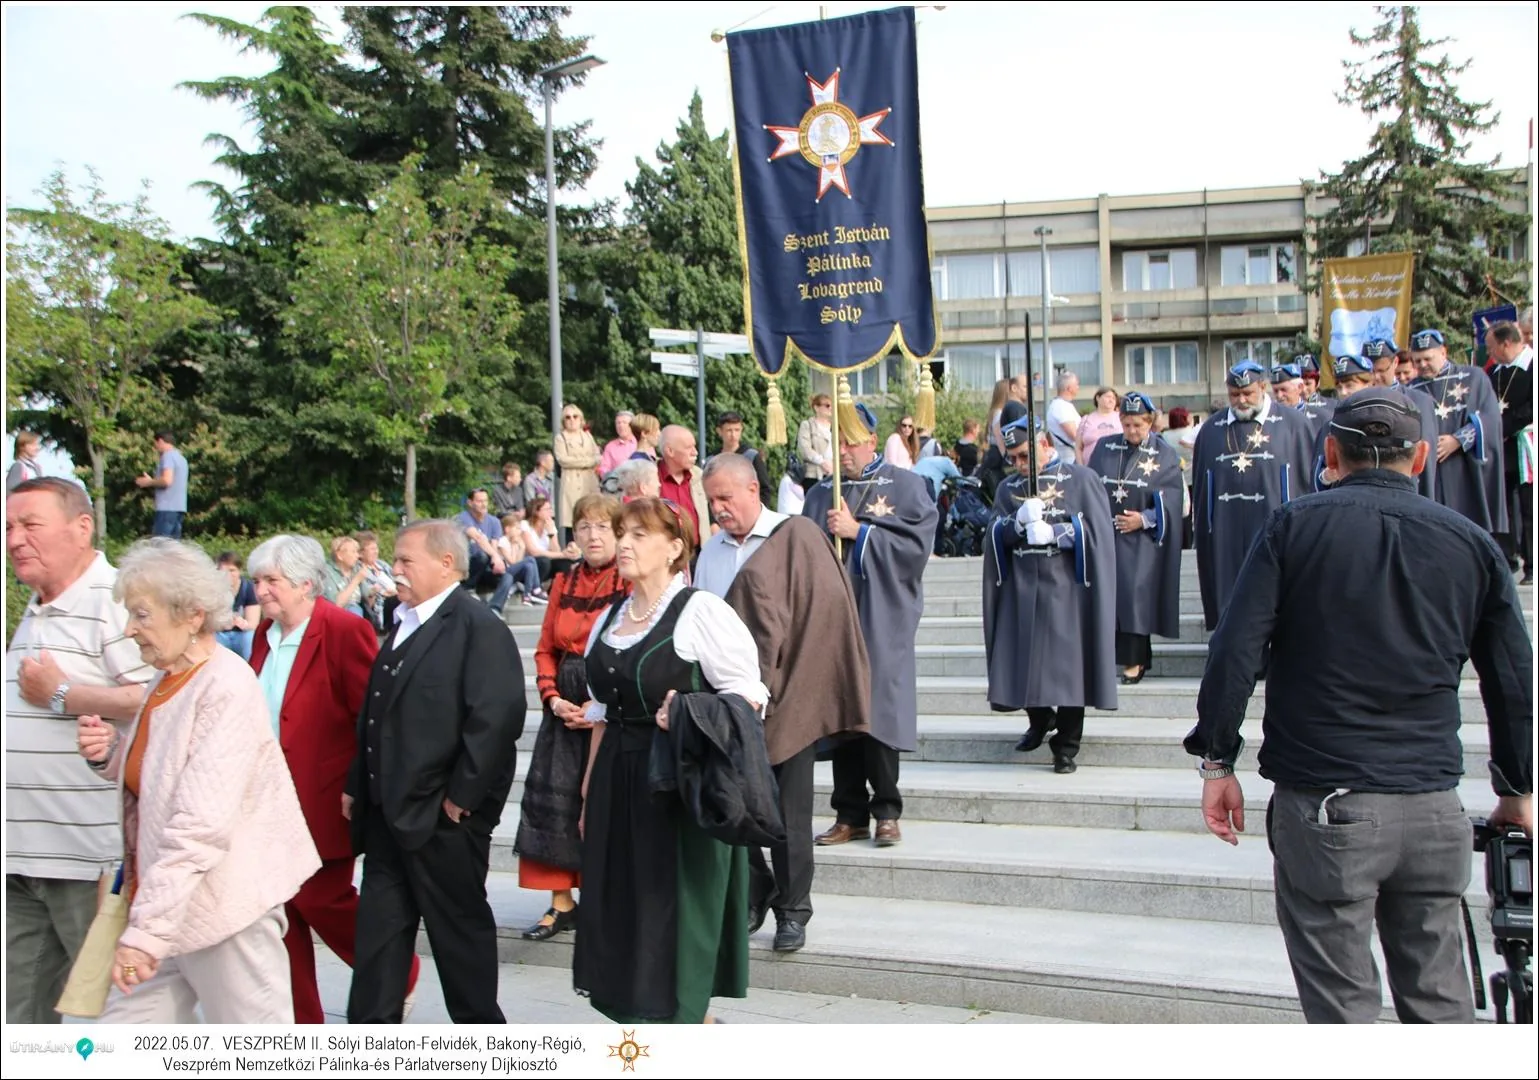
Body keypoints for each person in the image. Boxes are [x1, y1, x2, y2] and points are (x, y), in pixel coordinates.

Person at [1186, 389, 1532, 1024]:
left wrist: (1217, 759)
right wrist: (1517, 786)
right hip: (1432, 804)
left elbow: (1235, 650)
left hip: (1328, 802)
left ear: (1330, 453)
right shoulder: (1471, 543)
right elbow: (1512, 679)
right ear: (1422, 456)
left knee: (1344, 1010)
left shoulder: (1293, 527)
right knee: (1440, 1003)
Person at [75, 537, 320, 1023]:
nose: (129, 630)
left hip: (226, 911)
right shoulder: (166, 678)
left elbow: (198, 826)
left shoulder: (224, 685)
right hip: (166, 907)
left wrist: (145, 935)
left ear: (190, 614)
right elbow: (161, 773)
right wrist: (111, 755)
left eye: (141, 615)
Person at [572, 497, 768, 1024]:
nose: (625, 544)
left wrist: (688, 710)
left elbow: (750, 697)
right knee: (622, 902)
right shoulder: (610, 617)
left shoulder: (701, 611)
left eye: (640, 535)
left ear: (675, 548)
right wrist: (589, 792)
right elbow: (602, 714)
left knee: (670, 904)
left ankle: (683, 1021)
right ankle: (649, 1019)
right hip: (618, 774)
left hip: (680, 779)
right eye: (623, 533)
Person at [344, 519, 526, 1024]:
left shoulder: (478, 626)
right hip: (388, 820)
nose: (394, 570)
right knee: (378, 945)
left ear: (446, 564)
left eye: (405, 561)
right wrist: (358, 784)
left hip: (444, 822)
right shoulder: (402, 621)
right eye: (395, 561)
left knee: (460, 945)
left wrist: (460, 798)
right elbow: (376, 714)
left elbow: (496, 718)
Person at [696, 454, 870, 953]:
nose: (718, 509)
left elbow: (829, 616)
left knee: (791, 814)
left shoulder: (796, 537)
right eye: (711, 501)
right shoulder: (710, 553)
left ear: (754, 489)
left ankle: (794, 911)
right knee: (732, 803)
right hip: (731, 700)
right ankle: (758, 888)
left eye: (726, 498)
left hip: (791, 697)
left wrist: (792, 685)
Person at [246, 534, 421, 1023]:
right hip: (266, 796)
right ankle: (301, 1020)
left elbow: (371, 714)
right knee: (279, 913)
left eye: (271, 581)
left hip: (321, 794)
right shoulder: (265, 634)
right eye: (257, 581)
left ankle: (397, 968)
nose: (261, 591)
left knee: (320, 897)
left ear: (306, 584)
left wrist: (357, 784)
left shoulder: (342, 629)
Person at [5, 478, 154, 1024]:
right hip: (23, 853)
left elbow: (159, 696)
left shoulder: (116, 599)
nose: (16, 539)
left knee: (107, 1019)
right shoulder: (40, 604)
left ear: (82, 526)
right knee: (22, 1019)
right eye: (8, 528)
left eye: (30, 525)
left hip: (87, 860)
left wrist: (63, 694)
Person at [803, 403, 936, 847]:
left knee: (878, 711)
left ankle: (886, 810)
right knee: (842, 714)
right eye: (835, 441)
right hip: (834, 617)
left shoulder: (904, 485)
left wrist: (859, 532)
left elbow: (916, 546)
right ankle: (849, 812)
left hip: (881, 613)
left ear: (872, 441)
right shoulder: (821, 492)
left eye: (849, 441)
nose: (842, 451)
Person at [515, 494, 629, 942]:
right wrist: (551, 698)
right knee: (554, 803)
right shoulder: (563, 582)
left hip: (610, 703)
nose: (593, 535)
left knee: (604, 803)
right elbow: (546, 647)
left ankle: (610, 902)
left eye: (602, 527)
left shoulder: (628, 580)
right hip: (564, 705)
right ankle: (560, 903)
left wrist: (599, 706)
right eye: (584, 527)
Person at [984, 418, 1116, 773]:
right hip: (1022, 585)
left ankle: (1066, 746)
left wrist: (1058, 531)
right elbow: (993, 534)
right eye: (1013, 458)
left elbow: (1098, 533)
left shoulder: (1082, 480)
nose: (1020, 465)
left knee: (1068, 670)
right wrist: (1015, 525)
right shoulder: (1008, 488)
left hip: (1066, 588)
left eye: (1025, 455)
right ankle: (1039, 719)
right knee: (1023, 660)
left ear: (1044, 443)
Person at [1191, 361, 1316, 631]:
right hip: (1225, 534)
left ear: (1262, 387)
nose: (1241, 400)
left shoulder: (1294, 424)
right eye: (1235, 395)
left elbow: (1308, 480)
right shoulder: (1212, 429)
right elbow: (1202, 487)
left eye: (1248, 393)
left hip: (1278, 531)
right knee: (1231, 605)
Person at [1088, 393, 1185, 685]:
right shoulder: (1106, 447)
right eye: (1127, 425)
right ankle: (1107, 656)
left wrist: (1143, 519)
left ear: (1150, 423)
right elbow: (1090, 485)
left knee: (1132, 596)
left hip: (1141, 538)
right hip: (1106, 535)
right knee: (1107, 596)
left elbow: (1173, 499)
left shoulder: (1164, 453)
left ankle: (1135, 659)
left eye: (1138, 426)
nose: (1132, 431)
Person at [1409, 327, 1507, 535]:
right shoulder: (1411, 389)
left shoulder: (1473, 377)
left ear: (1443, 352)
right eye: (1417, 361)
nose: (1422, 365)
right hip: (1430, 470)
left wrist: (1458, 439)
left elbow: (1490, 419)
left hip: (1464, 467)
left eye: (1427, 358)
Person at [1315, 353, 1438, 501]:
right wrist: (1326, 477)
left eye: (1349, 385)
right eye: (1339, 386)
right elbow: (1317, 481)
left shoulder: (1397, 422)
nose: (1343, 392)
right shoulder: (1331, 426)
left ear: (1370, 384)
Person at [1362, 339, 1439, 501]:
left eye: (1382, 370)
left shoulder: (1420, 401)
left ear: (1395, 362)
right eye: (1371, 371)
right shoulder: (1359, 402)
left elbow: (1427, 460)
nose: (1376, 376)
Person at [1486, 321, 1533, 583]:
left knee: (1528, 505)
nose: (1490, 353)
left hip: (1526, 443)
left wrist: (1505, 427)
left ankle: (1532, 563)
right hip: (1501, 446)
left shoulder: (1531, 366)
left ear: (1506, 343)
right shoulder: (1495, 372)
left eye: (1492, 347)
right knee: (1503, 504)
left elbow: (1530, 407)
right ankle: (1508, 555)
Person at [456, 487, 517, 615]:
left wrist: (496, 561)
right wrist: (496, 556)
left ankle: (494, 609)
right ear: (470, 502)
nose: (483, 504)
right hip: (468, 568)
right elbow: (478, 538)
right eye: (479, 501)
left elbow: (494, 545)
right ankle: (468, 588)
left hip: (485, 568)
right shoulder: (463, 518)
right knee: (481, 556)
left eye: (486, 501)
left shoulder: (494, 521)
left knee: (508, 577)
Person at [555, 404, 601, 538]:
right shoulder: (560, 438)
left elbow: (597, 457)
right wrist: (587, 461)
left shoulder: (588, 436)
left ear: (581, 419)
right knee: (573, 521)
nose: (572, 420)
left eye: (575, 416)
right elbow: (563, 460)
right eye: (568, 417)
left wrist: (578, 460)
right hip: (571, 484)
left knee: (592, 516)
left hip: (589, 482)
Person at [658, 425, 712, 538]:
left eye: (695, 446)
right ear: (670, 451)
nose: (695, 452)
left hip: (697, 552)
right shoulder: (649, 477)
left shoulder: (700, 477)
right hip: (663, 551)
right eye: (689, 448)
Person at [134, 430, 189, 539]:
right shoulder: (182, 459)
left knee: (160, 547)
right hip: (179, 508)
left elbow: (167, 480)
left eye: (155, 443)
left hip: (166, 508)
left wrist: (149, 482)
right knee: (173, 547)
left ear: (160, 441)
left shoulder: (167, 457)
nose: (155, 447)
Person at [712, 410, 772, 507]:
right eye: (729, 430)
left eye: (737, 430)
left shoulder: (751, 456)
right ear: (719, 431)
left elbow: (765, 489)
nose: (733, 435)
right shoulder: (712, 460)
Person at [522, 496, 580, 583]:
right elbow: (533, 552)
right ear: (537, 512)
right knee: (544, 561)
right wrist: (563, 554)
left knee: (565, 563)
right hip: (531, 564)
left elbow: (556, 550)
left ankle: (556, 589)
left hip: (547, 563)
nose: (551, 512)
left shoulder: (550, 525)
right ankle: (534, 587)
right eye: (547, 509)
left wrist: (551, 534)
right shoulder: (525, 525)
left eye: (550, 508)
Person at [214, 551, 260, 662]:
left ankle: (253, 669)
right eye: (223, 571)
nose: (228, 574)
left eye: (232, 570)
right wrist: (222, 624)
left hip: (242, 633)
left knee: (249, 637)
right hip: (220, 633)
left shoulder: (249, 588)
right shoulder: (213, 589)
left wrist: (243, 624)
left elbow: (253, 623)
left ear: (239, 571)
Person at [496, 513, 547, 606]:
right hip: (506, 573)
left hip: (514, 571)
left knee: (529, 565)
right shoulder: (502, 541)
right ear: (507, 529)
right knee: (530, 559)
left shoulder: (514, 542)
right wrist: (521, 548)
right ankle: (536, 589)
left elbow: (518, 562)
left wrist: (521, 547)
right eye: (516, 528)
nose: (519, 532)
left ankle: (527, 595)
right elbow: (511, 562)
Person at [355, 530, 400, 631]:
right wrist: (383, 593)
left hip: (397, 597)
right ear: (361, 553)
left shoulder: (381, 564)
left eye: (376, 548)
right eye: (372, 549)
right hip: (382, 608)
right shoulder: (359, 570)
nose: (376, 551)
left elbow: (396, 578)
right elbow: (366, 593)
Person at [323, 535, 370, 619]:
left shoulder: (356, 568)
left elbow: (367, 596)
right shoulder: (327, 572)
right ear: (340, 555)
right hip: (337, 615)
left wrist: (377, 591)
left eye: (357, 552)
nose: (357, 556)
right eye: (353, 552)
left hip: (360, 610)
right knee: (354, 611)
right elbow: (336, 604)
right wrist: (356, 580)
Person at [796, 394, 835, 491]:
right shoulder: (808, 425)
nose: (830, 408)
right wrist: (823, 462)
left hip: (833, 474)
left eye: (831, 405)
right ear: (816, 408)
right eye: (827, 405)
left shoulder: (835, 427)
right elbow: (805, 449)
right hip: (814, 475)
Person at [1076, 386, 1122, 465]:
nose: (1111, 400)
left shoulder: (1121, 418)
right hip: (1090, 468)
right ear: (1098, 398)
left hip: (1116, 467)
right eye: (1108, 397)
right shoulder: (1086, 419)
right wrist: (1081, 467)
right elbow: (1078, 447)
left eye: (1114, 398)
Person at [1046, 371, 1082, 463]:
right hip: (1069, 457)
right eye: (1077, 385)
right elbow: (1074, 434)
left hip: (1070, 456)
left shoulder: (1062, 405)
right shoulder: (1061, 407)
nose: (1078, 387)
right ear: (1069, 388)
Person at [598, 411, 637, 478]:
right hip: (617, 485)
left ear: (632, 425)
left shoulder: (641, 443)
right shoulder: (610, 447)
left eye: (624, 422)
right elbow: (604, 469)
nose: (621, 425)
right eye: (618, 423)